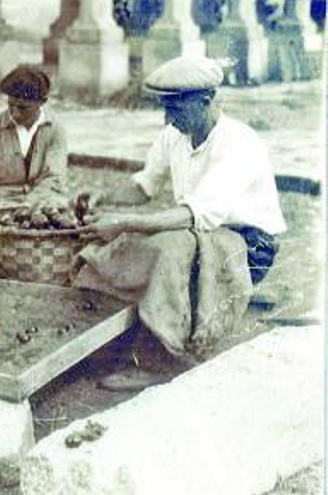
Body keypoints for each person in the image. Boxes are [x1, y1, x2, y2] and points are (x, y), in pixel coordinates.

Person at [76, 55, 286, 391]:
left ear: (206, 101)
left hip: (250, 245)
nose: (168, 118)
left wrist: (125, 222)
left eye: (176, 108)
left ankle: (162, 359)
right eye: (165, 108)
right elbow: (144, 185)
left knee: (168, 247)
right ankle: (117, 335)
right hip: (202, 231)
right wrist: (104, 195)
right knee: (134, 244)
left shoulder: (237, 142)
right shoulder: (174, 134)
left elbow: (195, 214)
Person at [0, 64, 69, 215]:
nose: (14, 113)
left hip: (41, 207)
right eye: (10, 105)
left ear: (42, 102)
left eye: (23, 108)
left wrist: (28, 208)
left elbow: (54, 179)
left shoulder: (56, 130)